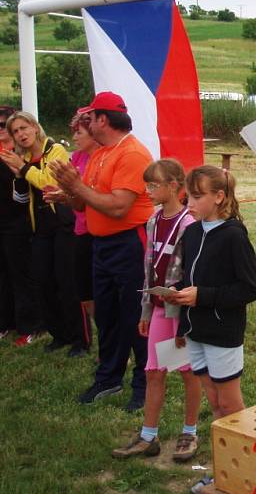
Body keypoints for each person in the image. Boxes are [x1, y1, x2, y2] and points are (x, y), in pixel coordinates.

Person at [49, 91, 154, 412]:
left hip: (129, 243)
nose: (84, 123)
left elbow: (120, 206)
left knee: (136, 316)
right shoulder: (101, 153)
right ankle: (109, 377)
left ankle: (144, 383)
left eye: (89, 118)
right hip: (102, 244)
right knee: (107, 315)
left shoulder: (132, 154)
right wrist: (68, 191)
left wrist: (77, 188)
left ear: (103, 120)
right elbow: (85, 202)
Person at [112, 159, 202, 461]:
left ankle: (190, 432)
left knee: (187, 372)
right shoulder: (153, 220)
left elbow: (194, 270)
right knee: (154, 371)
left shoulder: (190, 223)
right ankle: (148, 436)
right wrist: (146, 311)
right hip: (160, 310)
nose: (148, 190)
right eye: (147, 184)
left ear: (174, 186)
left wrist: (182, 309)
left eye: (154, 185)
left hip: (180, 314)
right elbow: (149, 268)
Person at [170, 166, 256, 423]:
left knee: (229, 403)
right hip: (194, 331)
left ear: (219, 197)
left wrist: (203, 296)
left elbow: (252, 287)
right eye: (188, 196)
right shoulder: (191, 232)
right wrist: (176, 296)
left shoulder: (234, 236)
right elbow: (188, 277)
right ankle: (225, 456)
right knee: (213, 401)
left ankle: (244, 455)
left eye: (197, 197)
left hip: (222, 333)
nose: (190, 203)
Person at [0, 111, 82, 354]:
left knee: (67, 283)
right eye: (15, 131)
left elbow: (50, 182)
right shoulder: (21, 157)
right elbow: (21, 196)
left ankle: (80, 339)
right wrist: (18, 177)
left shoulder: (53, 150)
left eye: (24, 128)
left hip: (62, 222)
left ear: (36, 128)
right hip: (38, 226)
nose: (21, 134)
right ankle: (58, 333)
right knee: (43, 282)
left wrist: (23, 169)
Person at [0, 106, 34, 345]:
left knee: (20, 275)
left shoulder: (20, 157)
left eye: (3, 126)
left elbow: (22, 195)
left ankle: (28, 325)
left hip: (18, 224)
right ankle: (5, 323)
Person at [69, 111, 100, 354]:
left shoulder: (102, 159)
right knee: (84, 290)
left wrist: (73, 191)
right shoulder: (77, 158)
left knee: (103, 291)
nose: (75, 137)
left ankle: (111, 342)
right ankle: (101, 336)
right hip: (80, 228)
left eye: (79, 132)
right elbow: (77, 200)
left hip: (98, 231)